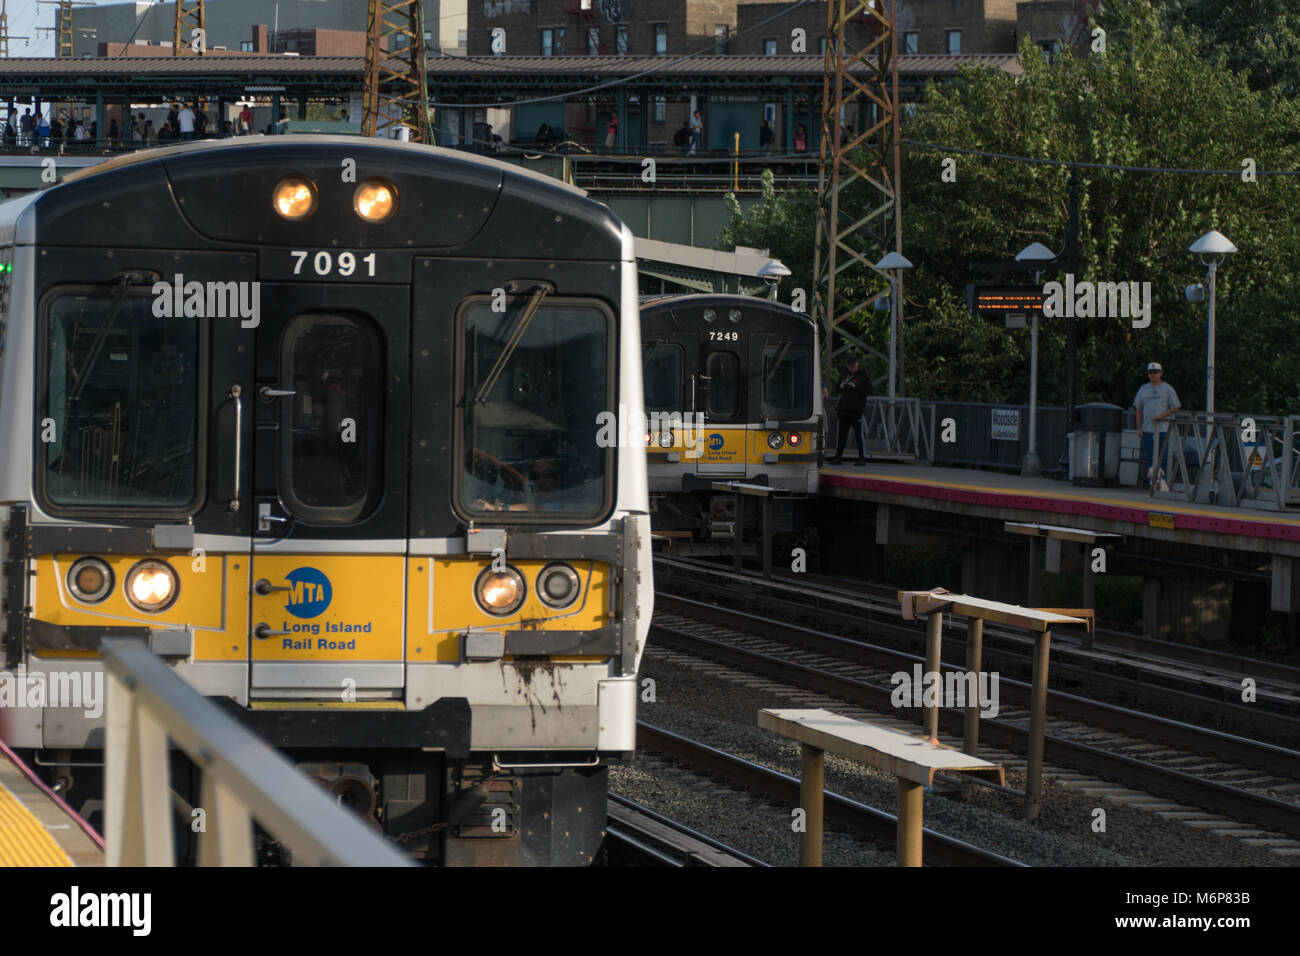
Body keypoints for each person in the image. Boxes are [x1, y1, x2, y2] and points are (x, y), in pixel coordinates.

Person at [1133, 361, 1181, 489]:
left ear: (1161, 373)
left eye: (1155, 372)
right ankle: (1154, 482)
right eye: (1151, 372)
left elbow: (1176, 407)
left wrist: (1162, 416)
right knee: (1150, 458)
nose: (1153, 375)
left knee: (1163, 457)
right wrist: (1139, 428)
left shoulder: (1167, 389)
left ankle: (1163, 482)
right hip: (1148, 429)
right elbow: (1138, 409)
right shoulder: (1143, 389)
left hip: (1163, 429)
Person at [828, 355, 870, 464]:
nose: (853, 369)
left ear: (857, 363)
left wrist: (856, 387)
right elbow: (836, 388)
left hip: (856, 410)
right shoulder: (845, 374)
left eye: (854, 366)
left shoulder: (863, 374)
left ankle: (862, 458)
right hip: (844, 409)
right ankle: (838, 457)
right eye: (851, 367)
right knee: (842, 435)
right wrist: (841, 386)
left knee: (858, 434)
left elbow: (868, 390)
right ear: (847, 366)